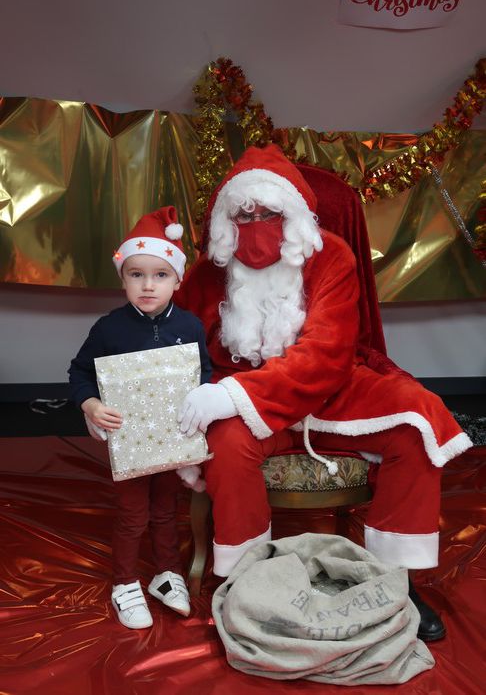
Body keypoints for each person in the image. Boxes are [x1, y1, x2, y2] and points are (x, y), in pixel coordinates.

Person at [176, 144, 473, 642]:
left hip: (327, 393)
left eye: (269, 212)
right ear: (226, 218)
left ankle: (394, 581)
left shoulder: (330, 255)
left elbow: (327, 355)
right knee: (226, 445)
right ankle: (246, 581)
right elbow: (175, 342)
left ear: (293, 215)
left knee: (417, 420)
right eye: (243, 212)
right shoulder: (208, 272)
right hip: (245, 403)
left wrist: (232, 395)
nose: (256, 222)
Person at [69, 206, 211, 629]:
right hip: (130, 441)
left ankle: (166, 575)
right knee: (133, 514)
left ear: (178, 279)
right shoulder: (109, 328)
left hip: (172, 440)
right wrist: (91, 405)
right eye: (137, 274)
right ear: (123, 278)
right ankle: (125, 582)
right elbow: (79, 372)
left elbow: (203, 371)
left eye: (160, 274)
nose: (148, 285)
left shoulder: (190, 326)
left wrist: (202, 399)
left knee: (167, 510)